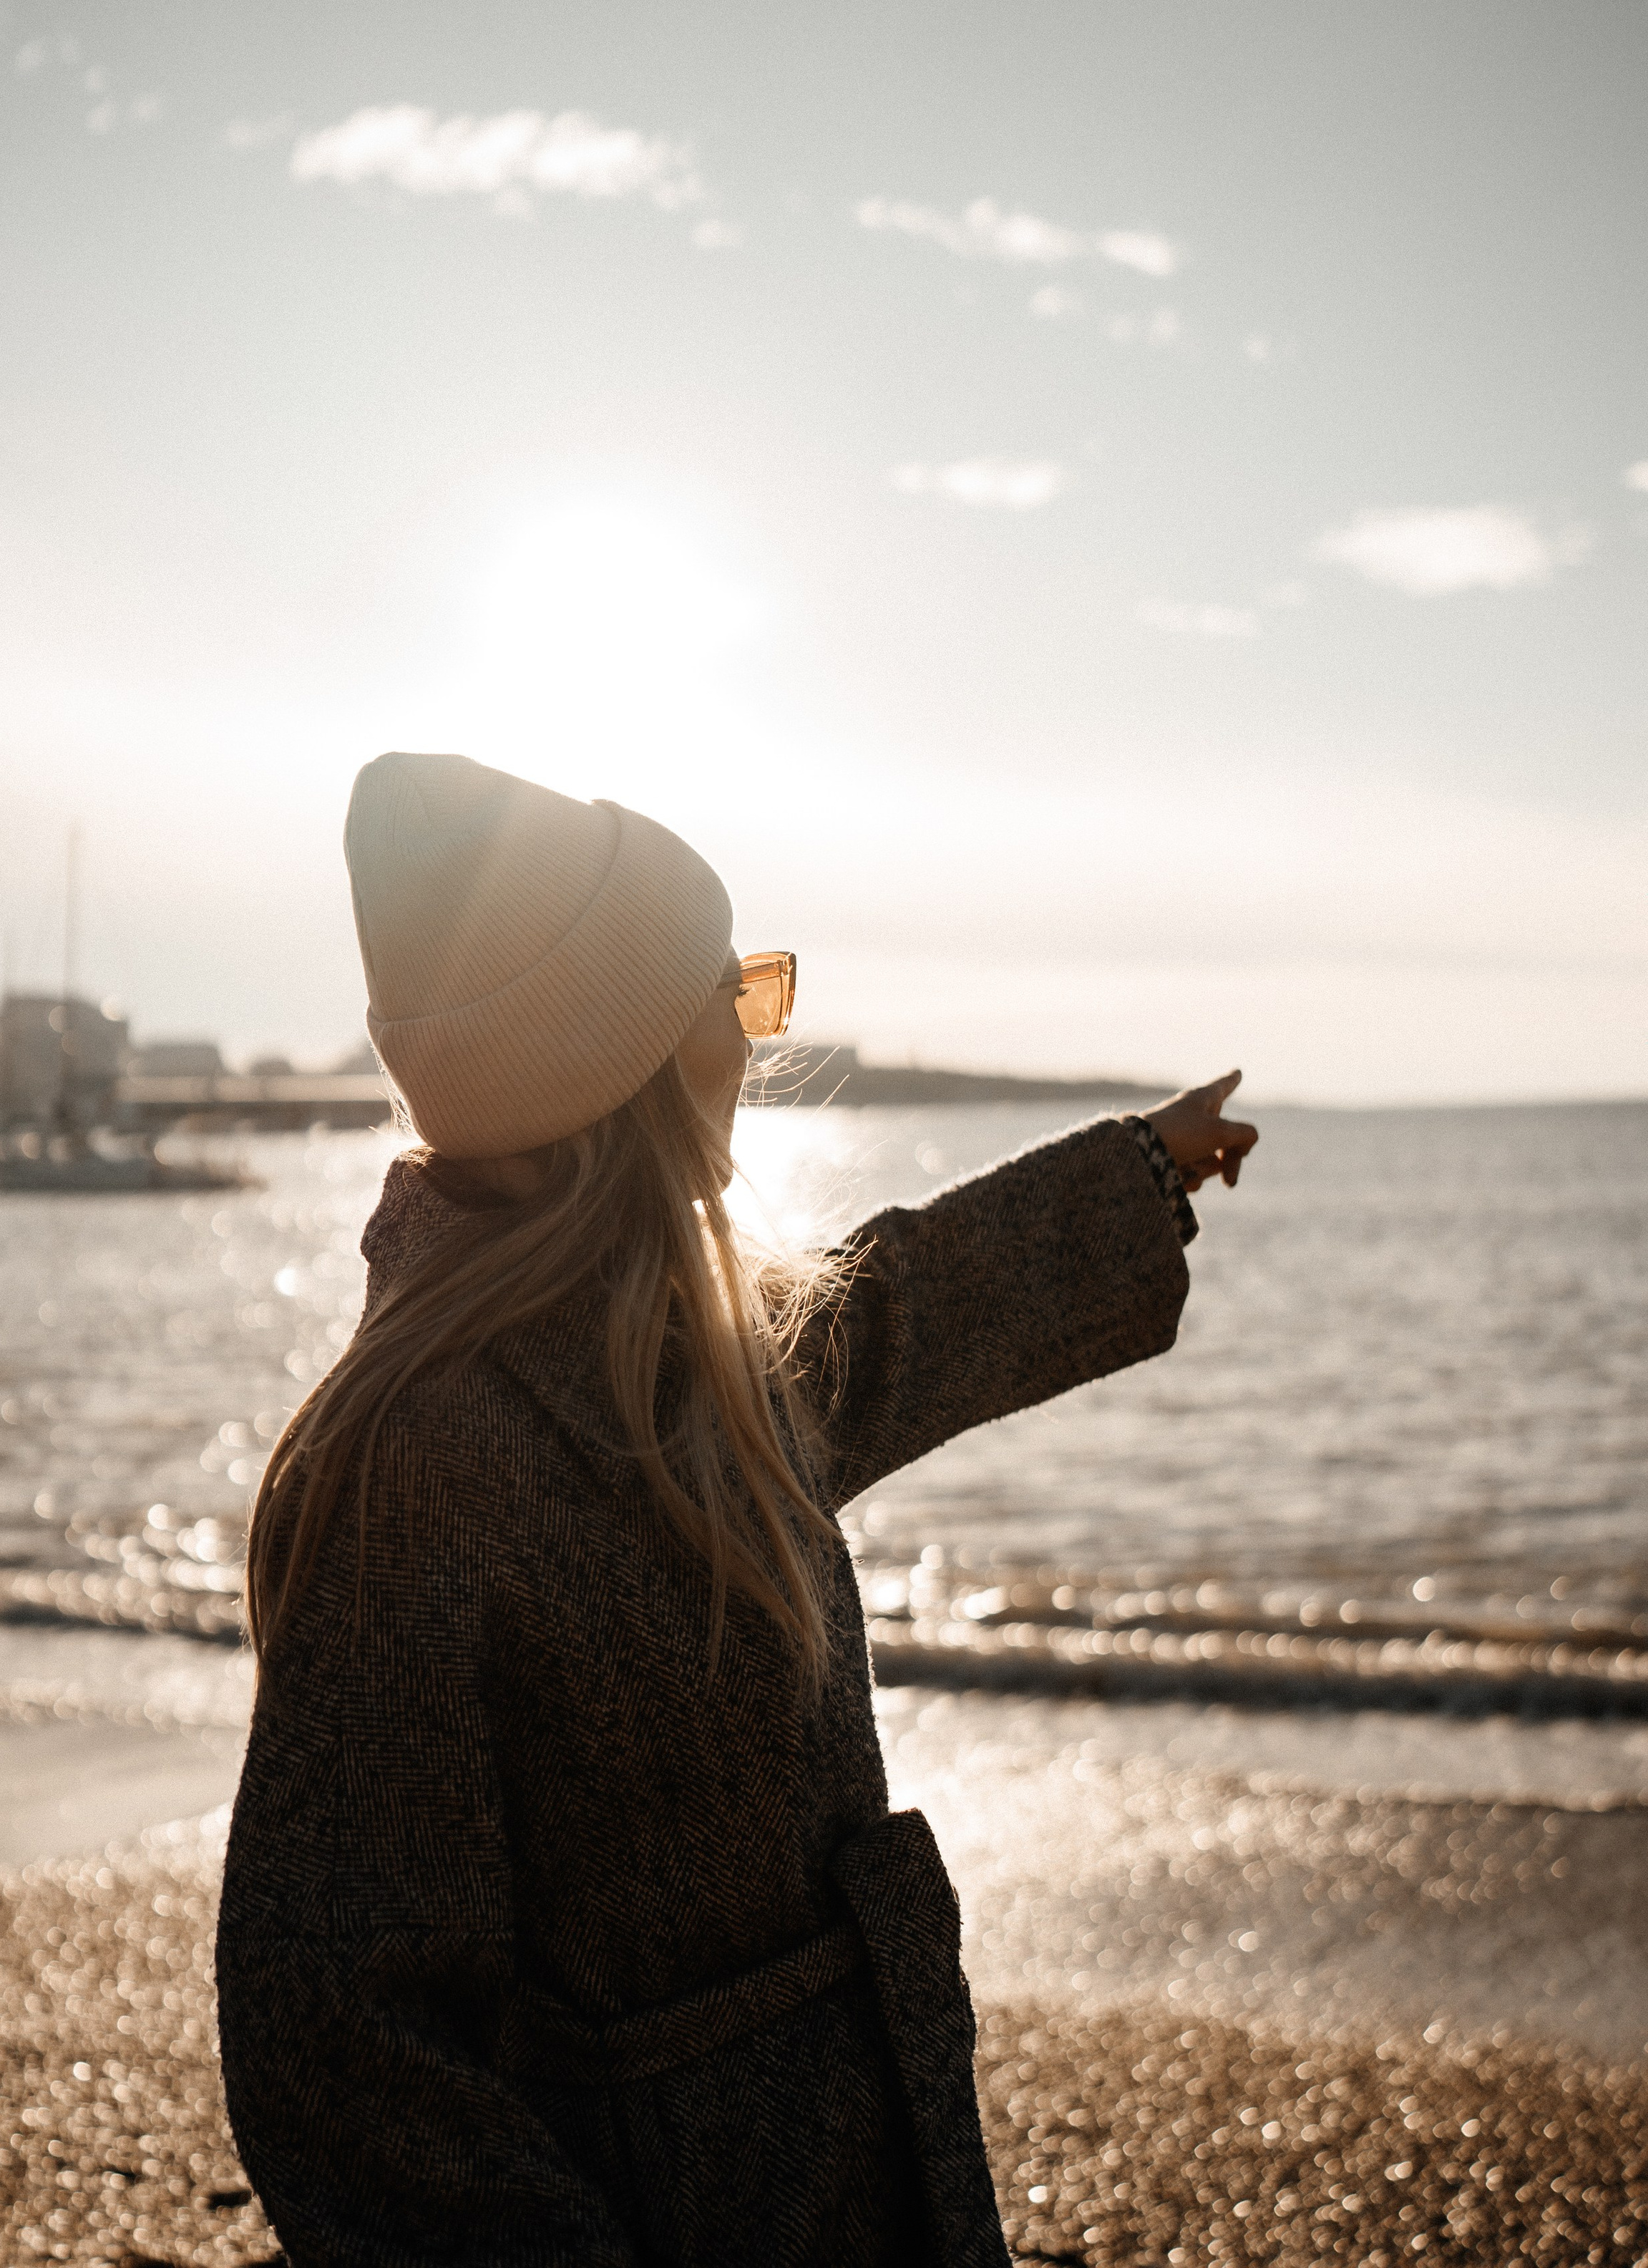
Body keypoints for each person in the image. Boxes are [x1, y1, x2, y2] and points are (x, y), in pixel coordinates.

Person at [215, 751, 1257, 2268]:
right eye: (733, 991)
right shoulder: (416, 1462)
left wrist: (1129, 1180)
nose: (761, 1032)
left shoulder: (679, 1357)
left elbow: (889, 1314)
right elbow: (335, 2029)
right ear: (616, 1055)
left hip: (855, 2178)